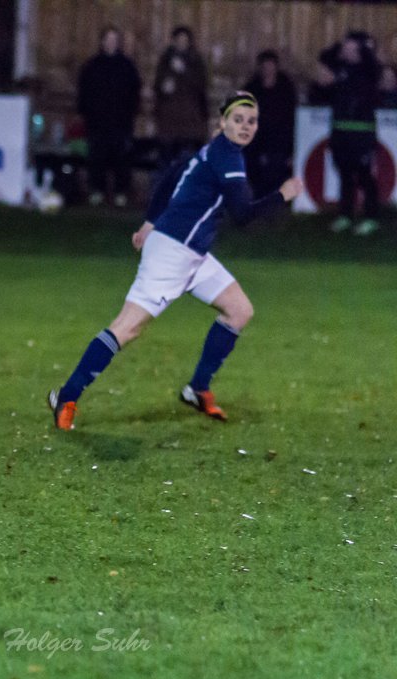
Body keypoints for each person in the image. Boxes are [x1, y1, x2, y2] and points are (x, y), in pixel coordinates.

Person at [48, 92, 302, 431]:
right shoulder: (226, 156)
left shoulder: (216, 150)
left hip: (192, 253)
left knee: (239, 310)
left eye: (251, 120)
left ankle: (197, 389)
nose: (244, 126)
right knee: (127, 327)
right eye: (237, 119)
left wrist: (151, 219)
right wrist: (282, 196)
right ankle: (66, 396)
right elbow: (243, 215)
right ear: (222, 122)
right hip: (173, 253)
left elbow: (171, 176)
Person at [318, 32, 383, 235]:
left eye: (351, 47)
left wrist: (363, 46)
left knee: (364, 175)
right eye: (345, 46)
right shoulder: (340, 67)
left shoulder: (369, 69)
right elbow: (324, 56)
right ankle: (345, 215)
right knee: (345, 174)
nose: (346, 50)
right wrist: (341, 45)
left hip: (362, 131)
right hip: (340, 129)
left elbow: (376, 69)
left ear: (359, 49)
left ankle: (371, 217)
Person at [77, 27, 142, 207]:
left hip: (121, 121)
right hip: (97, 121)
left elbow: (134, 93)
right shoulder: (92, 66)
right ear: (102, 41)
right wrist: (87, 113)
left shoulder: (127, 66)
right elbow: (84, 93)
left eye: (114, 39)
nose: (111, 42)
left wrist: (130, 114)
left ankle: (121, 192)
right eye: (108, 39)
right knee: (97, 157)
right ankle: (96, 191)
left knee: (121, 158)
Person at [242, 50, 298, 197]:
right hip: (256, 140)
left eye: (271, 65)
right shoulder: (251, 89)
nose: (268, 69)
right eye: (265, 66)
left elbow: (291, 116)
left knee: (277, 172)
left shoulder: (286, 89)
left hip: (280, 140)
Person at [153, 26, 210, 168]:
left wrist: (183, 71)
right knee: (167, 160)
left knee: (187, 160)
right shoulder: (165, 60)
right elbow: (158, 85)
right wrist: (163, 87)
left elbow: (200, 85)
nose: (181, 43)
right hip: (168, 120)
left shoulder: (196, 60)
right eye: (178, 40)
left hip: (190, 120)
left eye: (184, 40)